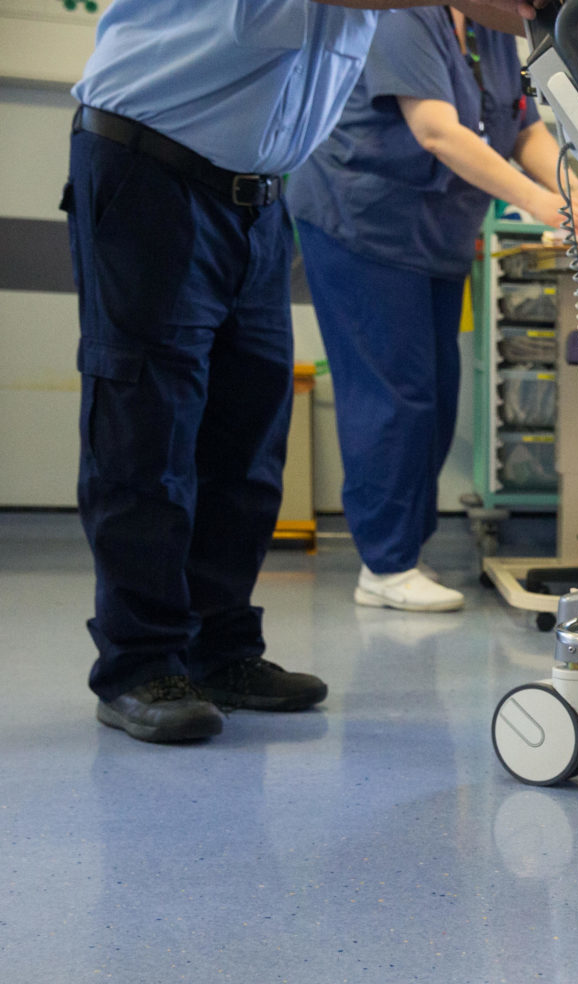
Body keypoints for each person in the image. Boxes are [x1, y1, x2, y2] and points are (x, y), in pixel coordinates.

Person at [64, 0, 544, 744]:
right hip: (151, 168)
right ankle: (139, 663)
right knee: (148, 429)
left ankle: (220, 647)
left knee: (248, 436)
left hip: (256, 194)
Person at [288, 7, 578, 613]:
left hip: (435, 234)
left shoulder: (492, 29)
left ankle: (402, 550)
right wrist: (541, 203)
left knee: (435, 395)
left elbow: (524, 131)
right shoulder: (404, 16)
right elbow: (436, 130)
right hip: (364, 224)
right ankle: (384, 566)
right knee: (393, 398)